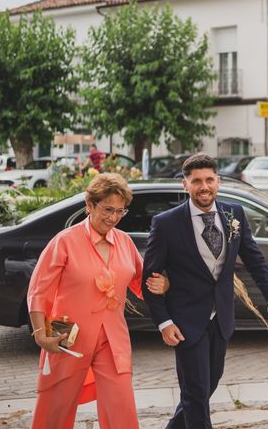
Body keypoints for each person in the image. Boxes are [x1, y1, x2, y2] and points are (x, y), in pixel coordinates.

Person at [142, 153, 268, 429]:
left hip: (220, 319)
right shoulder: (166, 223)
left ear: (218, 181)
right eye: (196, 181)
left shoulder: (235, 214)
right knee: (196, 394)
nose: (204, 186)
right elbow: (150, 279)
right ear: (185, 184)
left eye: (209, 180)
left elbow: (254, 259)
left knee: (208, 384)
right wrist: (164, 322)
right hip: (185, 322)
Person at [27, 173, 168, 429]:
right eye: (107, 209)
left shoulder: (124, 242)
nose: (113, 217)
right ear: (89, 205)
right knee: (55, 407)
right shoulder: (64, 242)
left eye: (120, 211)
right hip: (68, 336)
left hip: (113, 340)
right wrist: (40, 334)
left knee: (121, 405)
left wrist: (164, 285)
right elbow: (39, 290)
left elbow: (142, 283)